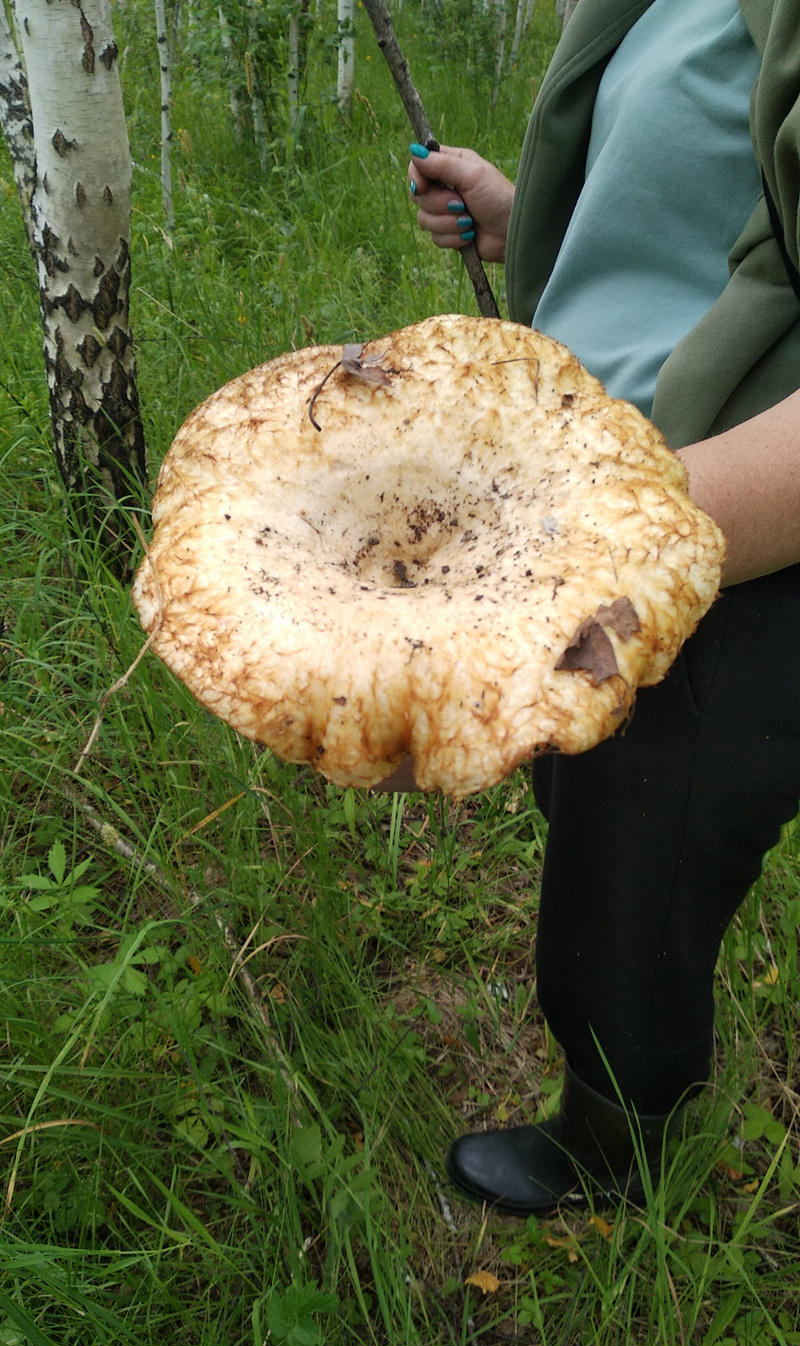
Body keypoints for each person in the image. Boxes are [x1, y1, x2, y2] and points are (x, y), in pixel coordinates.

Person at [406, 0, 800, 1216]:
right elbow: (693, 212)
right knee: (587, 805)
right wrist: (525, 216)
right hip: (587, 490)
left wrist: (599, 546)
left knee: (635, 880)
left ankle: (615, 1150)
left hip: (728, 540)